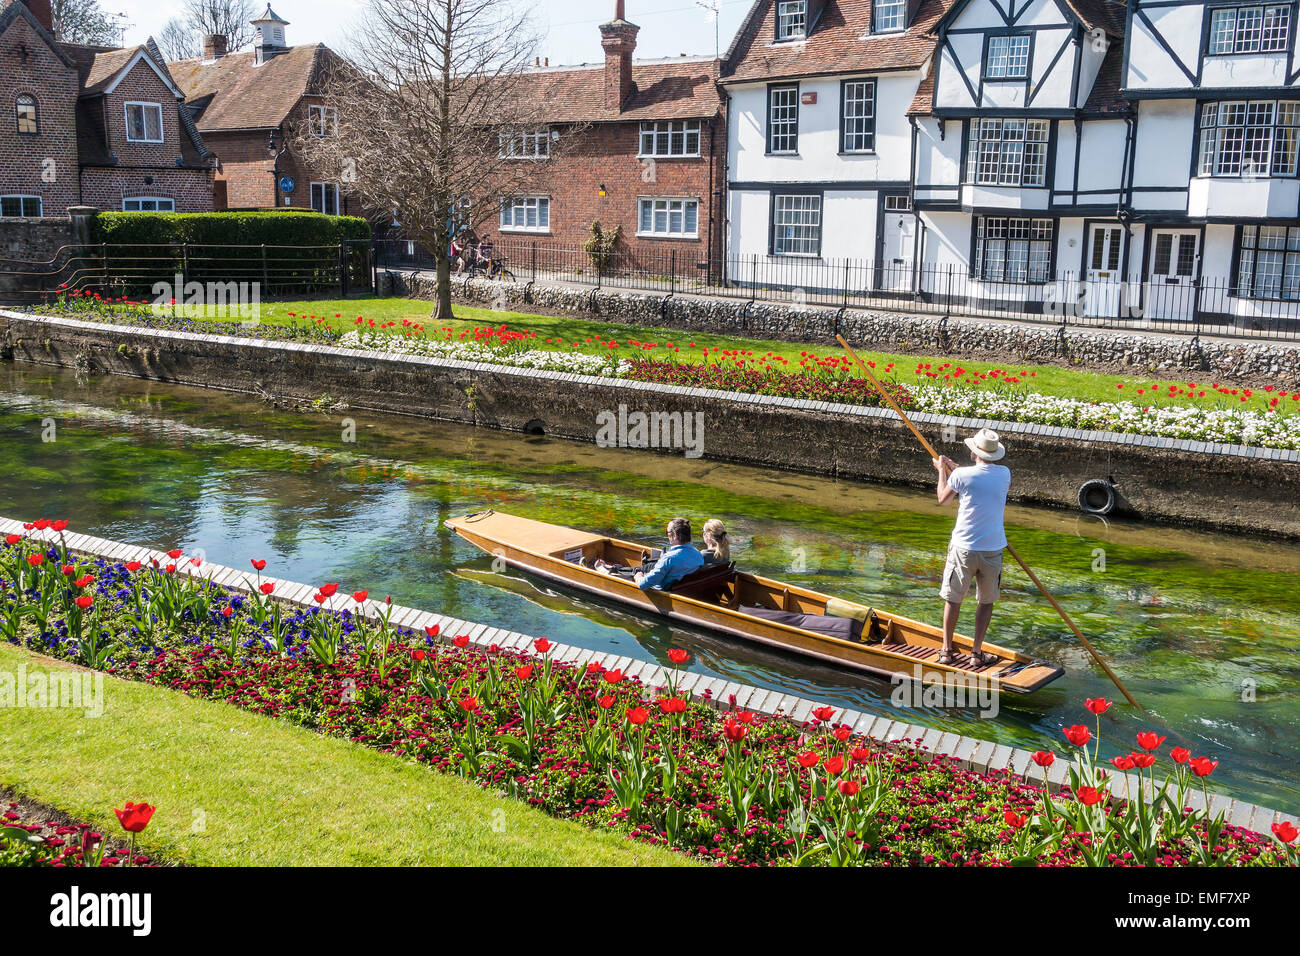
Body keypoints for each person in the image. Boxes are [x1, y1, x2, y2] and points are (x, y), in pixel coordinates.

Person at [932, 428, 1010, 667]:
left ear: (974, 451)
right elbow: (978, 480)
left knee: (953, 599)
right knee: (986, 602)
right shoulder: (1005, 473)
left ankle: (946, 650)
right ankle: (976, 653)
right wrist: (955, 470)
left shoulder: (962, 476)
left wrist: (941, 473)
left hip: (963, 548)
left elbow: (943, 500)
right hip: (992, 549)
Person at [594, 518, 703, 590]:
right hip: (680, 587)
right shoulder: (698, 555)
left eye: (667, 532)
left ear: (674, 535)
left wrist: (639, 576)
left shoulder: (669, 559)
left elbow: (643, 585)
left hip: (659, 590)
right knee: (644, 567)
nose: (667, 535)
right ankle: (615, 568)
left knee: (636, 572)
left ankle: (605, 571)